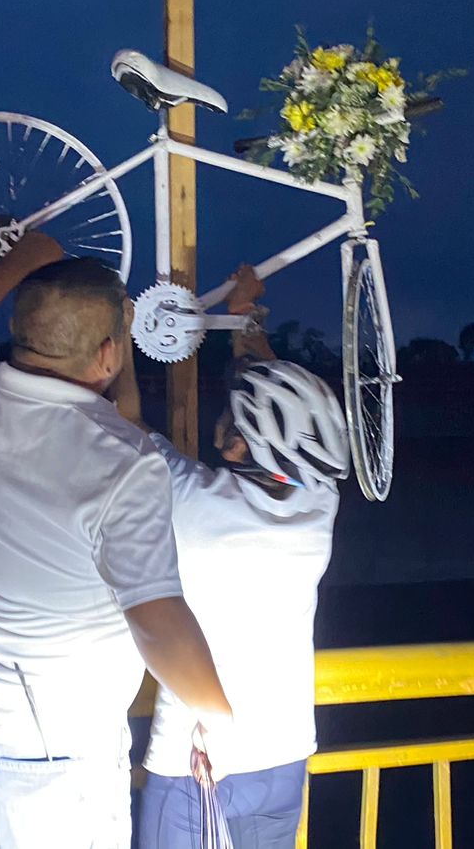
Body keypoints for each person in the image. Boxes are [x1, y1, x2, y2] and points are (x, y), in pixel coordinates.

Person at [0, 228, 232, 849]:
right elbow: (156, 618)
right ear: (110, 353)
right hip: (57, 765)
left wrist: (24, 259)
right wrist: (216, 716)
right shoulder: (125, 460)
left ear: (20, 329)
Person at [114, 266, 349, 849]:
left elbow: (124, 423)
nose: (221, 419)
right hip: (283, 758)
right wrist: (248, 317)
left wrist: (119, 332)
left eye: (230, 418)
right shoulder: (320, 506)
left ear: (241, 444)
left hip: (196, 763)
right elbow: (277, 398)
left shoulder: (190, 500)